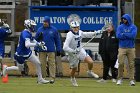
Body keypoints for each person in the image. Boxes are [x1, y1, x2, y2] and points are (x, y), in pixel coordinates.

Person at [2, 19, 50, 84]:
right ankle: (6, 69)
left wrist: (40, 44)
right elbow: (27, 45)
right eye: (32, 26)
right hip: (20, 54)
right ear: (28, 26)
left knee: (38, 63)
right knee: (20, 69)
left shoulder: (28, 32)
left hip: (27, 52)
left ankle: (40, 79)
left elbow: (32, 40)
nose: (34, 27)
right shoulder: (25, 33)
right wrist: (37, 44)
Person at [63, 21, 101, 87]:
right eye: (74, 27)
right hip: (72, 53)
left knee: (91, 62)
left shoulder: (80, 32)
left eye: (77, 27)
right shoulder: (69, 35)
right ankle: (72, 78)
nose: (76, 29)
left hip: (80, 50)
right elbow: (65, 47)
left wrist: (96, 33)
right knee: (74, 68)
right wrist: (73, 51)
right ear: (71, 28)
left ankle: (89, 71)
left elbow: (88, 34)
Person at [35, 16, 62, 83]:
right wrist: (36, 48)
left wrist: (58, 49)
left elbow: (57, 40)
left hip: (51, 50)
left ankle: (52, 78)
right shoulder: (39, 29)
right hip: (42, 50)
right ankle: (42, 78)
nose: (45, 23)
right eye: (44, 22)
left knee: (52, 64)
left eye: (46, 22)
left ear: (49, 22)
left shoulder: (54, 30)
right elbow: (35, 40)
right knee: (42, 64)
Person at [116, 14, 137, 86]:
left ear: (128, 19)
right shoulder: (120, 27)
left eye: (125, 19)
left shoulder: (133, 27)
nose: (123, 20)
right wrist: (128, 34)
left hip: (131, 48)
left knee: (131, 64)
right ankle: (119, 79)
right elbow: (118, 36)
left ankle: (131, 80)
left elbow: (133, 36)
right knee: (121, 63)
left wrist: (124, 34)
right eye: (123, 19)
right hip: (122, 47)